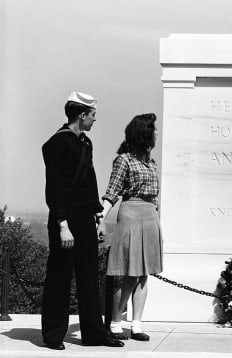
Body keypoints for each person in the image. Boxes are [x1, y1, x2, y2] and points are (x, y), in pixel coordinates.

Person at [41, 92, 124, 350]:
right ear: (81, 115)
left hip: (85, 217)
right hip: (64, 218)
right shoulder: (58, 143)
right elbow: (54, 187)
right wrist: (63, 225)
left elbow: (89, 181)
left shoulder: (85, 143)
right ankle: (53, 335)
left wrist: (98, 216)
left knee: (88, 278)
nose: (95, 120)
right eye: (93, 115)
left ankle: (94, 334)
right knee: (59, 277)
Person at [97, 113, 162, 341]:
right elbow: (112, 191)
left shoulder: (150, 161)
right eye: (152, 130)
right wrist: (101, 218)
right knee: (126, 273)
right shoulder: (124, 160)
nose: (155, 134)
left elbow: (155, 197)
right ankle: (116, 320)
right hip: (131, 214)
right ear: (143, 133)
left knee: (143, 274)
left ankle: (136, 324)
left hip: (149, 216)